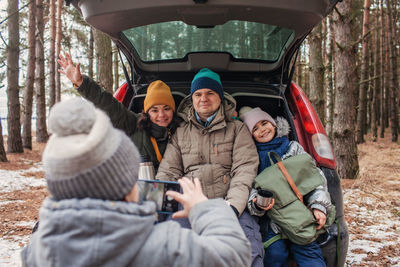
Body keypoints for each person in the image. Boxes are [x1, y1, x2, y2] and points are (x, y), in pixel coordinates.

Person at [21, 98, 252, 267]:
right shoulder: (163, 245)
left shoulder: (36, 254)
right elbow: (233, 255)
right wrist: (206, 209)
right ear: (125, 185)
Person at [156, 68, 262, 266]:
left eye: (210, 93)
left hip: (228, 203)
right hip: (188, 205)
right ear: (192, 99)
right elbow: (169, 171)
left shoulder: (237, 129)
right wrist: (159, 203)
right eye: (198, 94)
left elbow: (244, 170)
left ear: (220, 98)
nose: (203, 98)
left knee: (249, 251)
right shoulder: (180, 132)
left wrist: (231, 208)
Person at [239, 107, 333, 267]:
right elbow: (248, 187)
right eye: (255, 128)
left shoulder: (293, 148)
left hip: (300, 215)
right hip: (272, 221)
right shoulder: (251, 157)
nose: (262, 130)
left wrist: (318, 206)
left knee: (308, 252)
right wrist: (256, 204)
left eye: (264, 123)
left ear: (274, 124)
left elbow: (315, 180)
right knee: (275, 254)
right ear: (250, 135)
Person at [57, 53, 180, 170]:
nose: (161, 115)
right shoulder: (134, 124)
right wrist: (81, 83)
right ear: (146, 112)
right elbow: (107, 104)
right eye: (154, 110)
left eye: (166, 108)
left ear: (173, 110)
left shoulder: (183, 131)